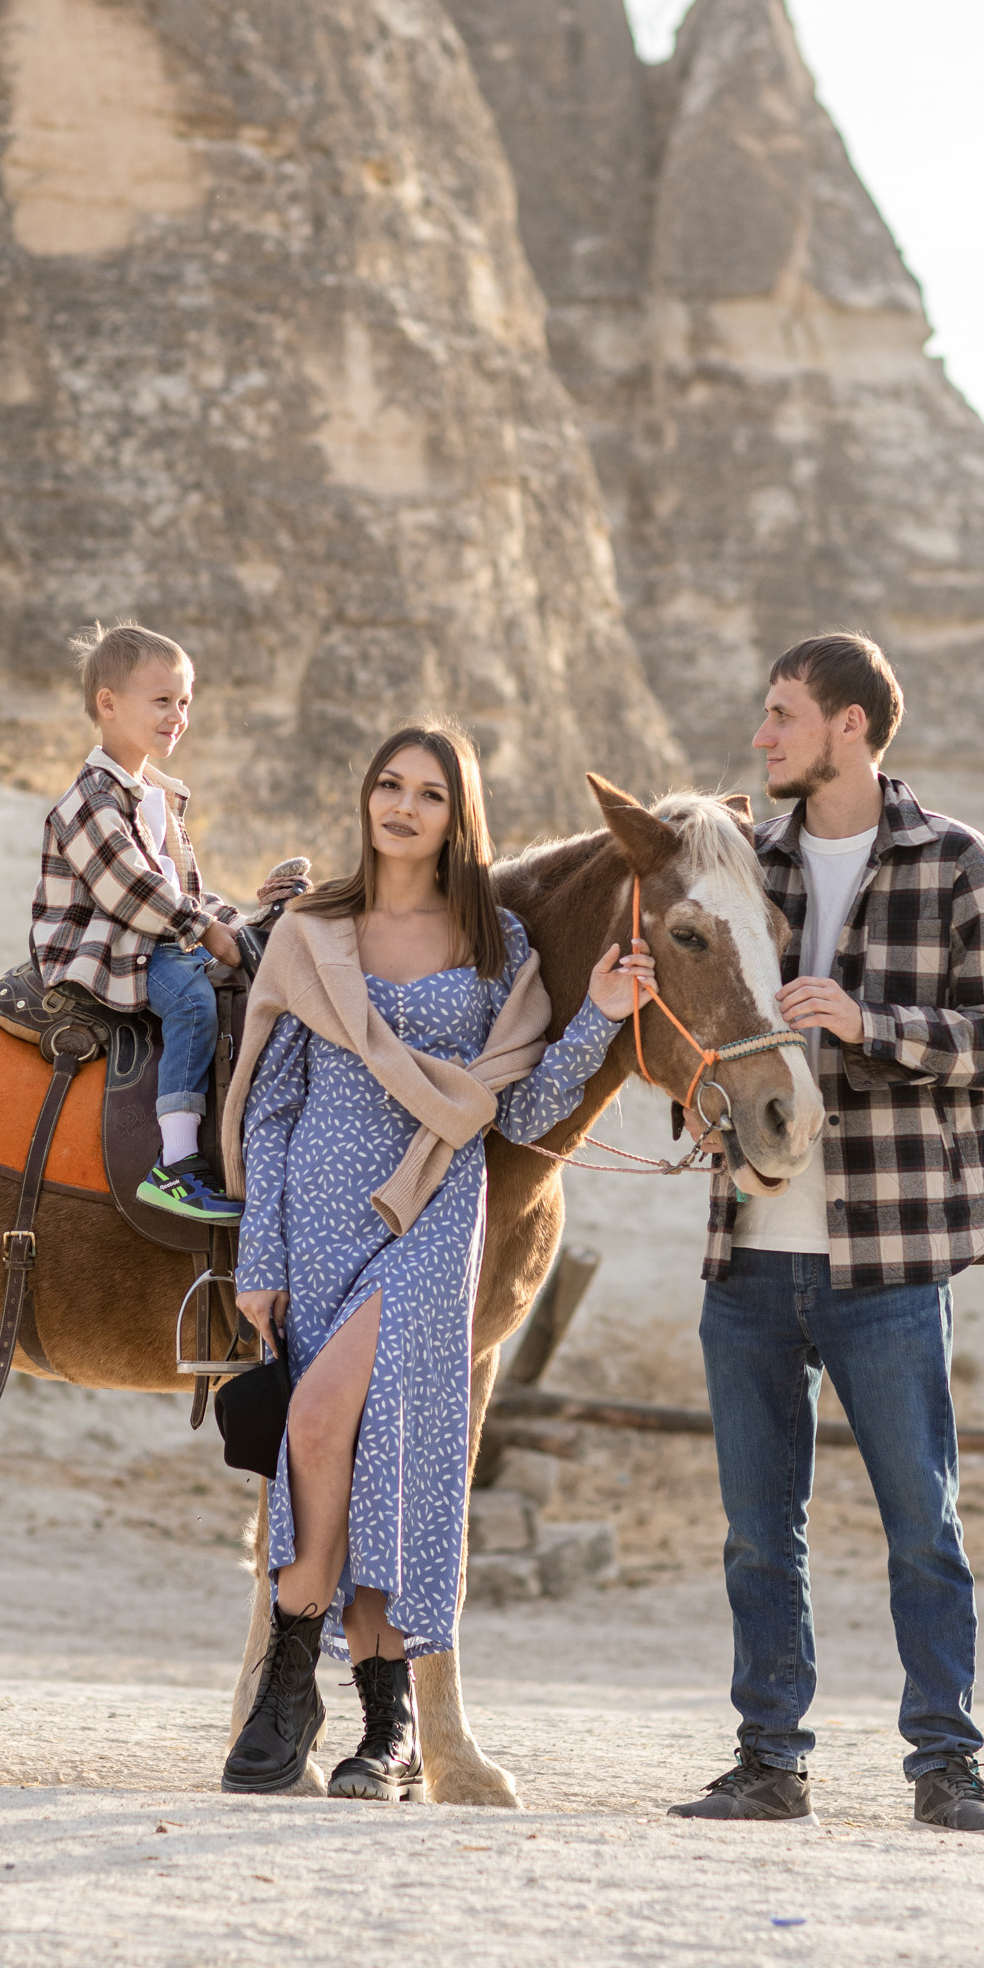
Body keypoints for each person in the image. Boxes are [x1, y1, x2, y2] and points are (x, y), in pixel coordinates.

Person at [216, 724, 656, 1800]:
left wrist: (596, 1020)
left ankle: (291, 1663)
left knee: (323, 1424)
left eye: (428, 794)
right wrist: (260, 1255)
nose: (402, 808)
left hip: (429, 1212)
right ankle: (380, 1724)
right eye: (387, 786)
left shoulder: (497, 947)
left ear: (458, 818)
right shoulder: (313, 929)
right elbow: (270, 1112)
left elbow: (526, 1112)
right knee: (351, 1462)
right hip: (314, 1217)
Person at [668, 630, 984, 1835]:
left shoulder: (954, 861)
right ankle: (767, 1761)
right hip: (750, 1251)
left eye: (782, 715)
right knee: (754, 1533)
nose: (762, 736)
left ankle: (945, 1766)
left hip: (884, 1260)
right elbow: (701, 1011)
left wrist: (870, 1022)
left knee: (921, 1525)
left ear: (850, 728)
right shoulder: (745, 865)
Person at [31, 620, 302, 1224]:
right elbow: (132, 888)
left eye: (184, 702)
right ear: (109, 704)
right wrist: (208, 932)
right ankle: (175, 1164)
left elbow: (188, 893)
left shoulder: (156, 796)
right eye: (161, 700)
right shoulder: (88, 800)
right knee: (194, 1003)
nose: (177, 715)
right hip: (104, 949)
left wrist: (252, 923)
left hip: (152, 938)